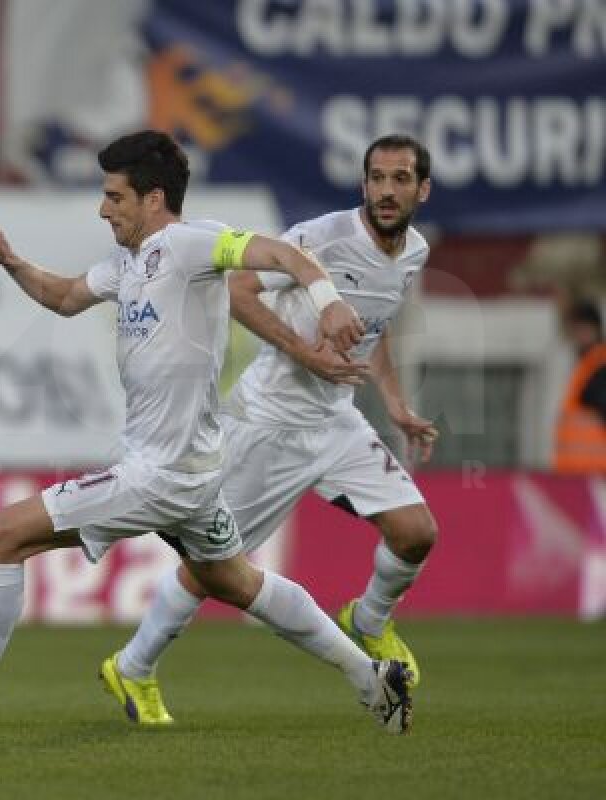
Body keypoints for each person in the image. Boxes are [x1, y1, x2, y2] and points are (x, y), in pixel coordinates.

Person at [0, 130, 415, 735]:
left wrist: (327, 302)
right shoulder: (126, 264)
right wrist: (11, 261)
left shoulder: (194, 245)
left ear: (153, 197)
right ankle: (372, 680)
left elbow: (287, 256)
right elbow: (62, 296)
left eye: (114, 196)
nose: (103, 208)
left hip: (158, 476)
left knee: (2, 534)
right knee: (238, 582)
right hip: (193, 474)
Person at [99, 133, 441, 727]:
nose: (387, 191)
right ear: (363, 184)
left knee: (416, 533)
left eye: (401, 179)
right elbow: (238, 291)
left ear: (423, 188)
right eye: (377, 178)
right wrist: (307, 356)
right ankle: (132, 665)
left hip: (336, 420)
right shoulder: (323, 237)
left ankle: (369, 621)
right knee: (212, 567)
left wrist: (394, 402)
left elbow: (370, 326)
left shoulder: (414, 253)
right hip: (269, 420)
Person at [553, 300, 606, 473]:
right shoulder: (586, 365)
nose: (578, 335)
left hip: (595, 472)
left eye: (583, 329)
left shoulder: (599, 367)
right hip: (578, 473)